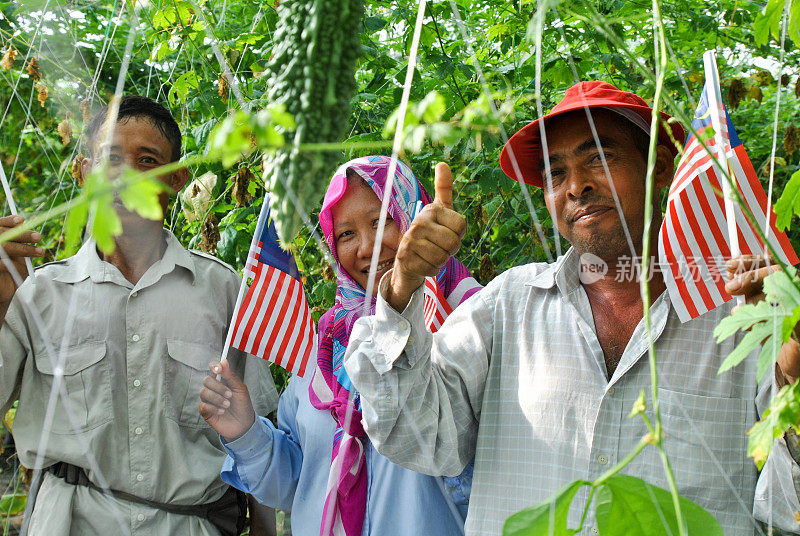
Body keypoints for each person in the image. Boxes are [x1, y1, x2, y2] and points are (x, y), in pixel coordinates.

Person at [341, 81, 800, 535]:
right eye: (555, 173)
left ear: (659, 167)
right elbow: (417, 437)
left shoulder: (744, 318)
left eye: (600, 157)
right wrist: (401, 288)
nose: (576, 186)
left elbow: (787, 508)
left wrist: (795, 379)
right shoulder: (507, 306)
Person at [0, 96, 279, 535]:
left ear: (177, 179)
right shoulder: (39, 295)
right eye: (110, 158)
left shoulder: (222, 292)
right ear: (84, 172)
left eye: (147, 160)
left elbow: (257, 437)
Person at [199, 155, 481, 536]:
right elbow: (300, 484)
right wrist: (245, 432)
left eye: (382, 222)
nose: (367, 247)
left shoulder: (466, 322)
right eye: (346, 233)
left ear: (413, 215)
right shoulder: (326, 351)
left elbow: (490, 471)